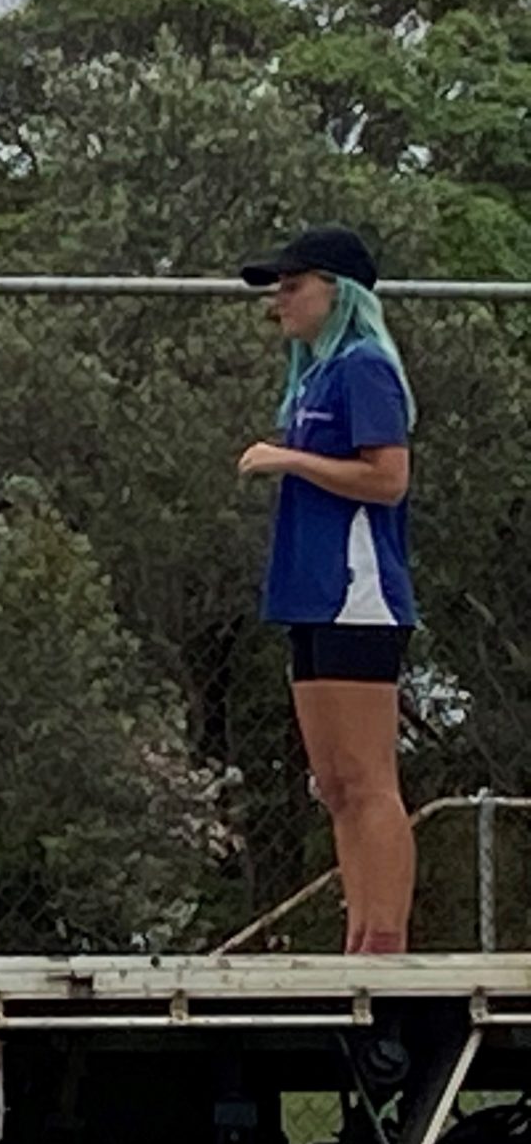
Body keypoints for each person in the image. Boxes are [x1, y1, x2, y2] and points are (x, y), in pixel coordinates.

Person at [237, 225, 418, 954]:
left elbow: (388, 478)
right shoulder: (315, 376)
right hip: (307, 591)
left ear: (336, 293)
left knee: (369, 778)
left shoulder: (366, 367)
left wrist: (291, 461)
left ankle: (386, 940)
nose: (279, 302)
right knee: (335, 783)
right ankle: (358, 936)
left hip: (356, 591)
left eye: (292, 286)